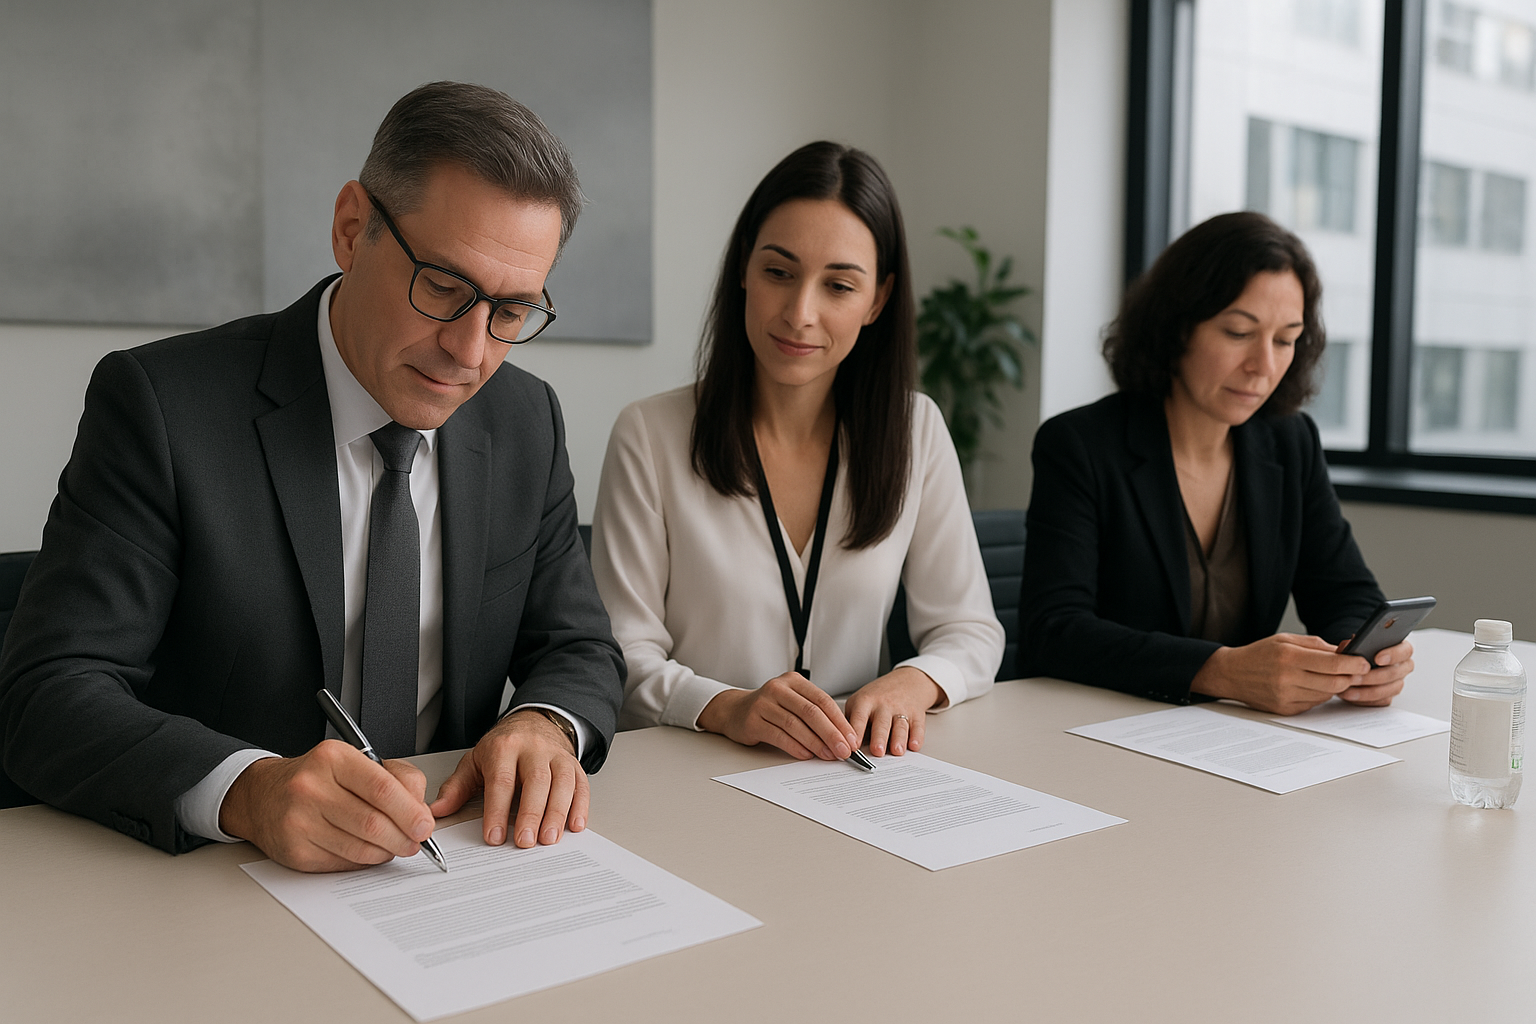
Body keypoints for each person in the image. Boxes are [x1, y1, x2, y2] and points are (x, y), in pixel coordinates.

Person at [0, 82, 625, 871]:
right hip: (212, 883)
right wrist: (246, 790)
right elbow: (47, 694)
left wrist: (543, 722)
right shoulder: (163, 406)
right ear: (351, 228)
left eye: (511, 311)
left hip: (453, 871)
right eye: (441, 287)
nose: (471, 353)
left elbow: (578, 645)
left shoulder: (525, 419)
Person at [590, 142, 1003, 763]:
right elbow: (620, 654)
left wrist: (914, 681)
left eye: (839, 285)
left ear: (878, 301)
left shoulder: (915, 429)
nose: (800, 313)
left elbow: (970, 630)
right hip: (693, 766)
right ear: (743, 270)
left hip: (852, 770)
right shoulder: (650, 432)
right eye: (779, 273)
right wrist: (729, 706)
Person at [1018, 211, 1411, 715]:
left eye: (1285, 339)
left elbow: (1345, 591)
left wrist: (1363, 654)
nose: (1263, 366)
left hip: (1232, 736)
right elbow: (1054, 630)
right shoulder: (1079, 444)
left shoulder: (1289, 443)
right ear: (1175, 328)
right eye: (1238, 332)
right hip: (1098, 725)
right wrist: (1222, 670)